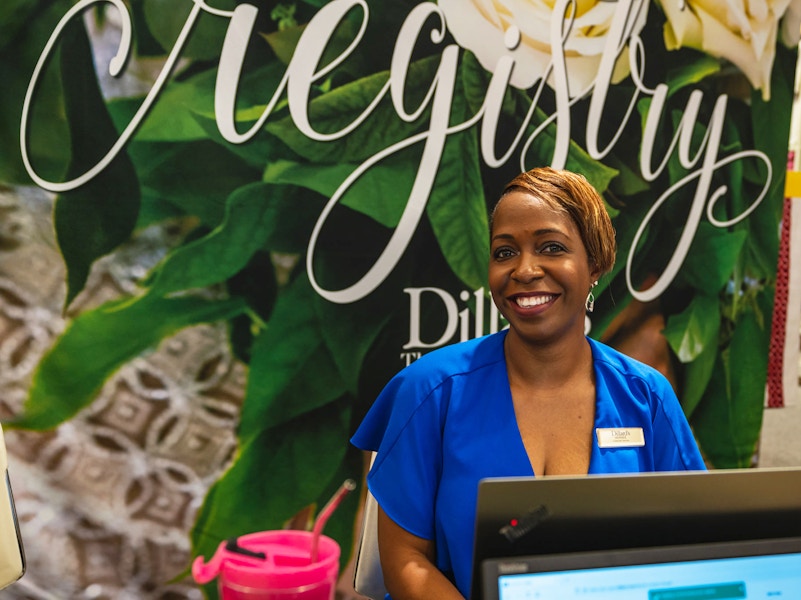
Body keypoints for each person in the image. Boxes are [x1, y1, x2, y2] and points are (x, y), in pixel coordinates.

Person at [350, 167, 706, 599]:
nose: (524, 269)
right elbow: (405, 560)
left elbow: (690, 552)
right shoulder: (430, 391)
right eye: (504, 253)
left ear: (595, 263)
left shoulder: (647, 398)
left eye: (551, 247)